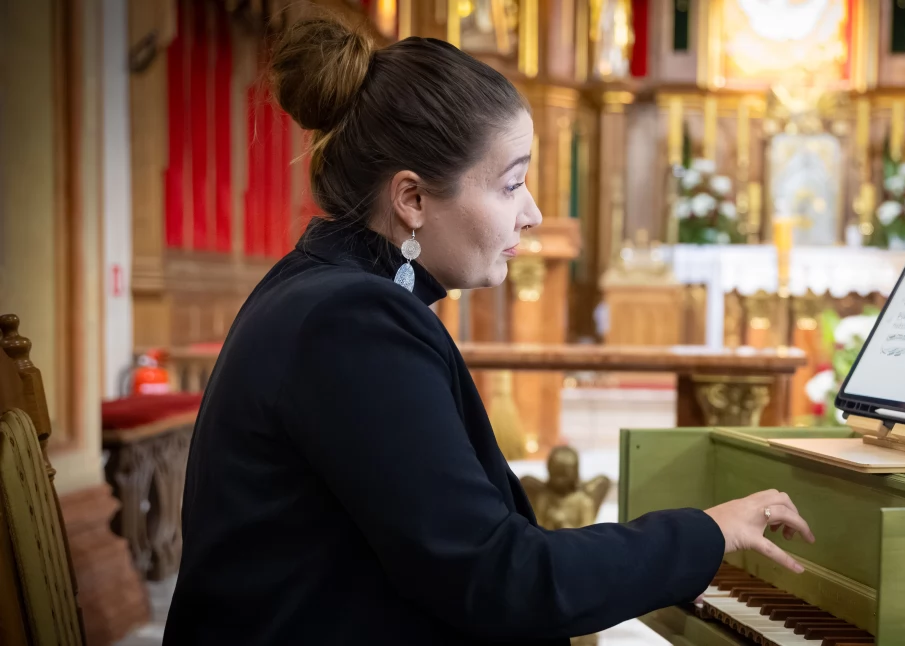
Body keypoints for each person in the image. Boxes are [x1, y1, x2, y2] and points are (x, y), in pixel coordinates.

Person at [163, 16, 814, 646]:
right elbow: (498, 577)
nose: (532, 213)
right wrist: (706, 534)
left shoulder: (330, 292)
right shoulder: (351, 323)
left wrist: (656, 561)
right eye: (511, 185)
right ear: (413, 200)